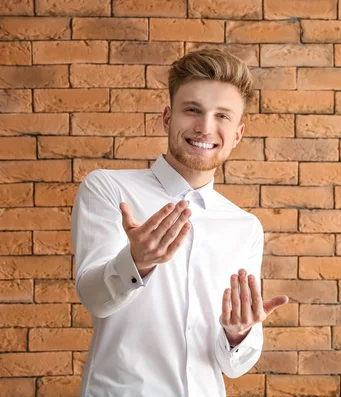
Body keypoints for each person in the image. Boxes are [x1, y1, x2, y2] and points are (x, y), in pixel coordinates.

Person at [71, 49, 289, 397]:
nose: (205, 127)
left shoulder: (245, 227)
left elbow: (234, 366)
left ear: (237, 134)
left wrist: (238, 334)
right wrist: (137, 261)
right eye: (192, 110)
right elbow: (93, 298)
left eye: (222, 116)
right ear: (167, 117)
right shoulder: (109, 188)